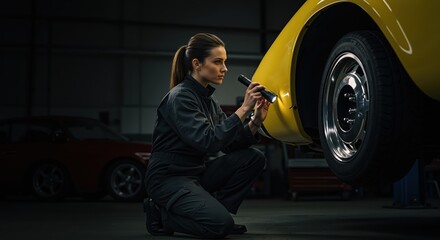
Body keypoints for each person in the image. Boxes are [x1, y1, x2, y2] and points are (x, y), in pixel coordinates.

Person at [143, 32, 271, 239]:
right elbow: (207, 140)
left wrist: (255, 120)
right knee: (219, 227)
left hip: (195, 174)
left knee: (254, 157)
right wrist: (244, 108)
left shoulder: (209, 102)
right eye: (218, 62)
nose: (225, 69)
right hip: (168, 178)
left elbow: (230, 144)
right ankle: (161, 214)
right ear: (197, 64)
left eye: (225, 62)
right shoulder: (180, 97)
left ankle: (215, 214)